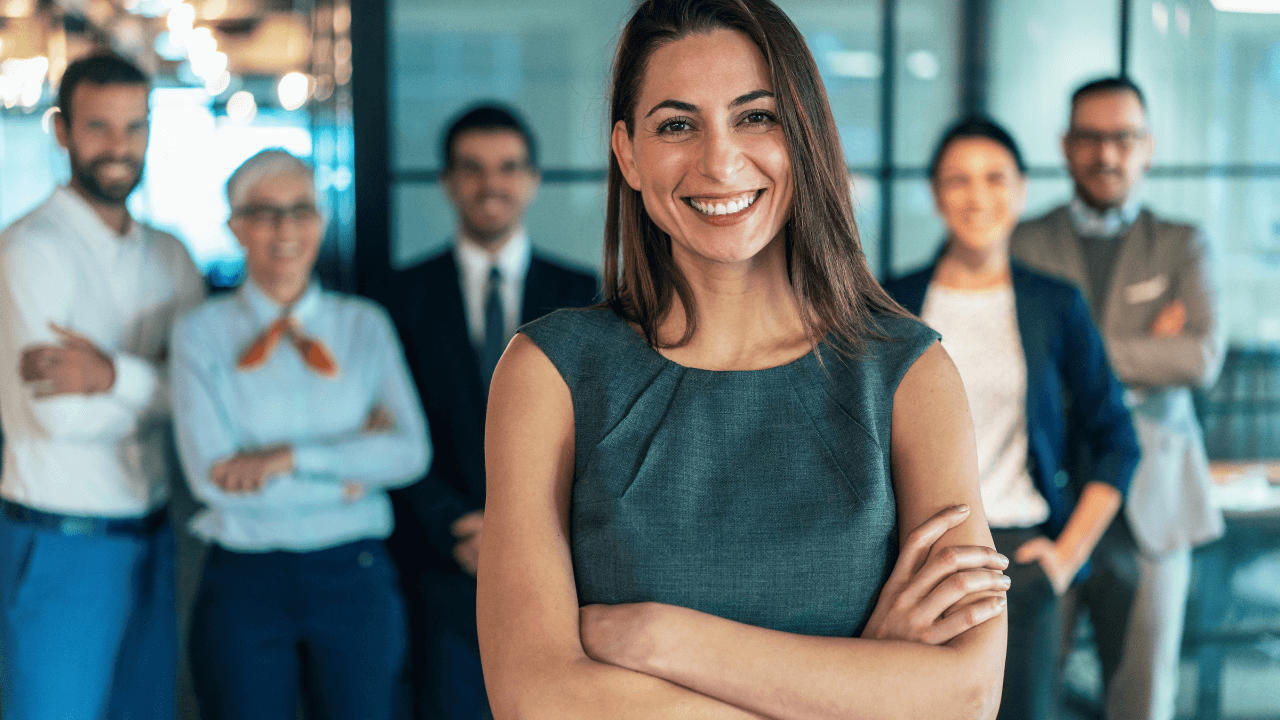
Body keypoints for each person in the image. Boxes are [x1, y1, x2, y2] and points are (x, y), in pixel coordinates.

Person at [477, 2, 1011, 718]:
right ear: (628, 154)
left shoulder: (907, 374)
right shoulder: (549, 374)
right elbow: (534, 700)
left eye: (756, 117)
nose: (720, 162)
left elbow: (967, 695)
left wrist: (654, 636)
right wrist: (861, 687)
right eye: (677, 125)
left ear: (805, 135)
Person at [884, 116, 1140, 720]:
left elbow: (1117, 440)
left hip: (1018, 559)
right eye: (958, 180)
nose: (977, 196)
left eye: (995, 178)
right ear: (935, 194)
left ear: (1022, 191)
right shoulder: (891, 301)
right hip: (916, 559)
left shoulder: (1054, 303)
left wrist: (1064, 559)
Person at [170, 149, 430, 720]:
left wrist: (285, 460)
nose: (285, 229)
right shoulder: (198, 334)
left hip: (354, 574)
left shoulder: (365, 325)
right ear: (235, 227)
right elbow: (212, 479)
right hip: (245, 578)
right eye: (264, 212)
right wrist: (353, 470)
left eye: (300, 210)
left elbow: (411, 453)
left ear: (320, 220)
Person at [1010, 77, 1226, 720]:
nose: (1107, 154)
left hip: (1153, 505)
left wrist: (1075, 352)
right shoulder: (1023, 242)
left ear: (1148, 147)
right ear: (1066, 145)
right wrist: (1144, 348)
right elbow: (1010, 358)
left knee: (1142, 701)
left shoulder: (1182, 243)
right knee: (1025, 696)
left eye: (1124, 138)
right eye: (1091, 137)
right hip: (1044, 500)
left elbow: (1200, 356)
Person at [0, 52, 204, 720]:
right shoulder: (29, 250)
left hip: (155, 539)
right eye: (98, 126)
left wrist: (110, 376)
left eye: (133, 127)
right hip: (62, 546)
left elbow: (204, 396)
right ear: (62, 130)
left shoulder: (171, 254)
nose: (119, 147)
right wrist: (160, 384)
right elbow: (57, 419)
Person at [383, 104, 597, 720]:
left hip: (555, 561)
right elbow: (387, 426)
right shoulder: (398, 296)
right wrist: (456, 526)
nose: (490, 184)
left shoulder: (584, 295)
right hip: (442, 557)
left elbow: (596, 432)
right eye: (472, 168)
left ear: (533, 180)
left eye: (508, 167)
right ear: (447, 181)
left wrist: (525, 529)